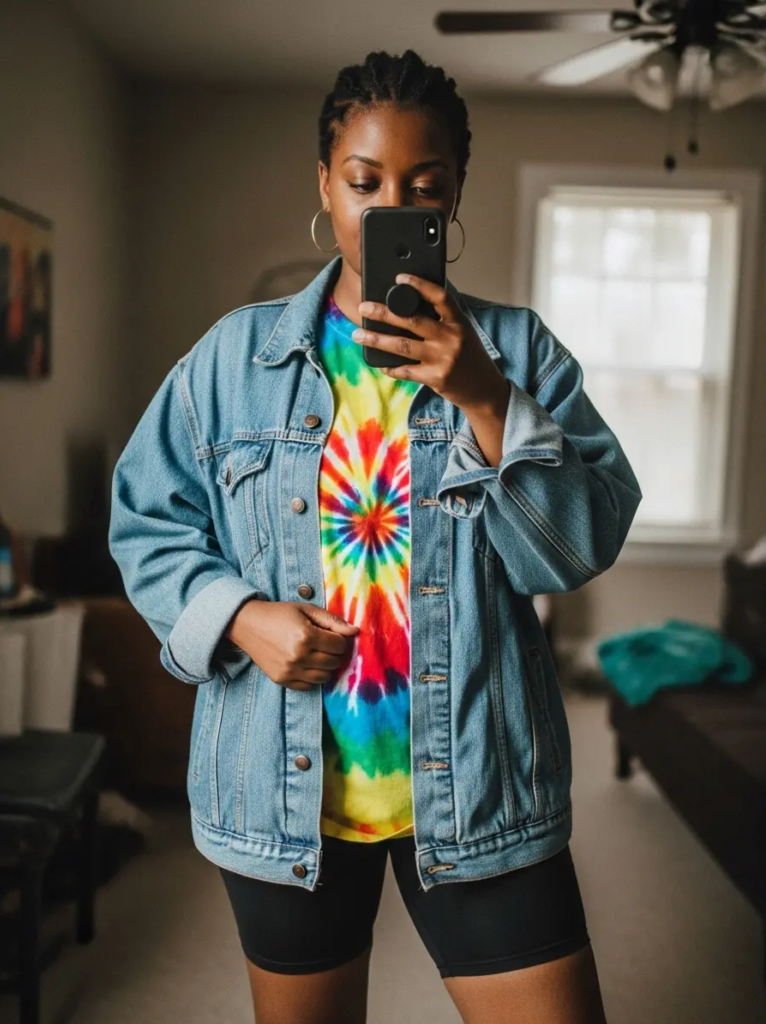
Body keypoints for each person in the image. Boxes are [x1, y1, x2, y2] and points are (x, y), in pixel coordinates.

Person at [109, 49, 642, 1024]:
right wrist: (241, 617)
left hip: (482, 792)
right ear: (325, 184)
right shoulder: (234, 358)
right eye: (364, 182)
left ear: (453, 197)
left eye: (423, 186)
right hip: (282, 789)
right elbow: (147, 520)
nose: (390, 203)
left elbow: (575, 547)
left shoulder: (518, 353)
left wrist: (483, 393)